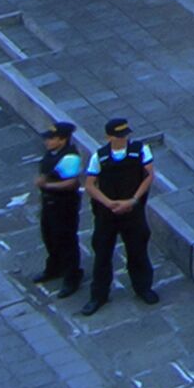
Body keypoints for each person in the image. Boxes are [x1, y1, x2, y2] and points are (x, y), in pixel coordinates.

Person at [83, 117, 161, 311]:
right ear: (109, 137)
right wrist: (109, 204)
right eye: (118, 136)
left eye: (125, 135)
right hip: (107, 214)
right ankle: (98, 295)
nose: (123, 139)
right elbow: (90, 185)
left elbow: (149, 175)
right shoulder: (99, 157)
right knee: (102, 254)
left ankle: (143, 288)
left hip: (132, 212)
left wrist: (133, 200)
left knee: (138, 251)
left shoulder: (140, 150)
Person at [32, 119, 88, 298]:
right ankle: (54, 267)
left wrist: (45, 185)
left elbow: (71, 184)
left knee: (65, 238)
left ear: (62, 140)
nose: (47, 141)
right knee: (49, 235)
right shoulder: (52, 153)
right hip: (49, 203)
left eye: (52, 138)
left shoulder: (69, 158)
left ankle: (72, 275)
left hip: (63, 205)